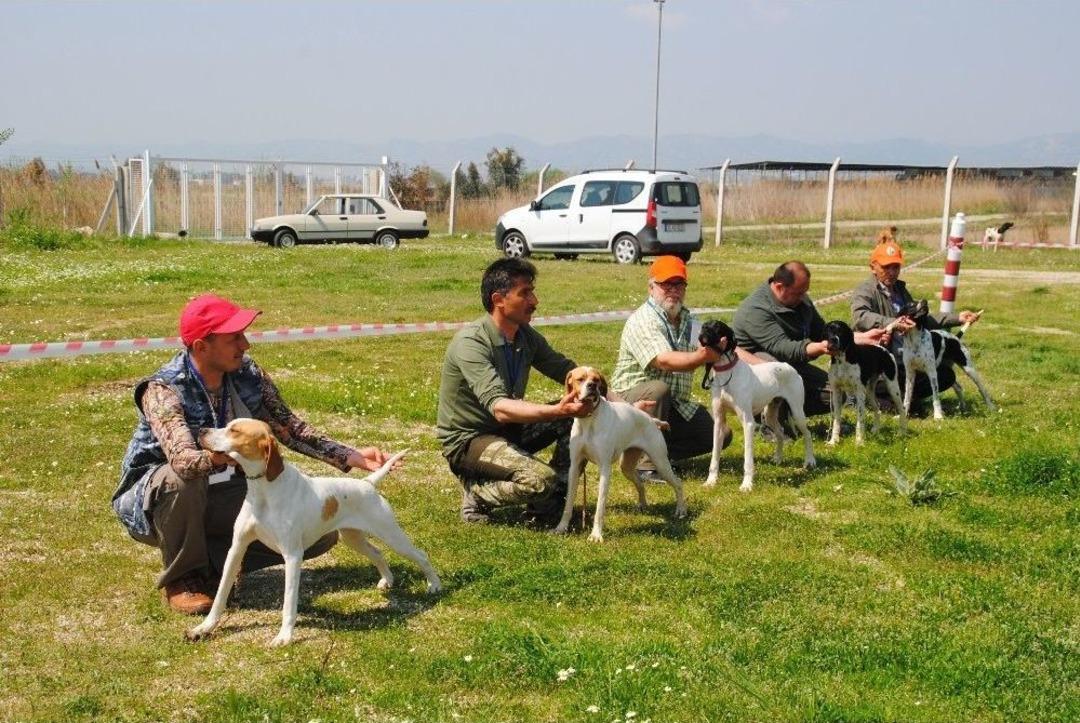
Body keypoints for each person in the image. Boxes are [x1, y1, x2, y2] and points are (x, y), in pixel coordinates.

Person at [112, 294, 396, 615]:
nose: (245, 344)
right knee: (181, 482)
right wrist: (228, 455)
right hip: (157, 497)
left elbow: (288, 427)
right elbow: (183, 462)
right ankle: (183, 580)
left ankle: (218, 566)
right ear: (202, 347)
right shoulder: (163, 390)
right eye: (234, 337)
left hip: (223, 484)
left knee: (317, 533)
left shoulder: (247, 373)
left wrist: (350, 456)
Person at [436, 258, 591, 525]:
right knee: (540, 480)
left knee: (573, 418)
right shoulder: (471, 342)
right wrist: (556, 409)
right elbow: (499, 408)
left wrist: (623, 405)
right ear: (498, 299)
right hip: (469, 442)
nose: (535, 301)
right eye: (525, 293)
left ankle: (551, 507)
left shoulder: (525, 335)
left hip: (508, 430)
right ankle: (478, 495)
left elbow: (569, 371)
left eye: (533, 291)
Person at [609, 255, 735, 481]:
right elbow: (664, 360)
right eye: (666, 284)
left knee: (721, 435)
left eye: (679, 284)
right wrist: (702, 356)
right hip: (628, 403)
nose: (673, 290)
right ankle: (646, 465)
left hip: (674, 405)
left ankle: (657, 452)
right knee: (658, 389)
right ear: (651, 287)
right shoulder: (644, 320)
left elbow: (718, 344)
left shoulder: (687, 319)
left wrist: (749, 360)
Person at [733, 261, 888, 417]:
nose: (803, 297)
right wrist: (822, 348)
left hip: (789, 363)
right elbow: (783, 348)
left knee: (837, 395)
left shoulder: (799, 299)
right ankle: (768, 423)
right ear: (780, 287)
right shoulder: (756, 310)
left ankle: (790, 415)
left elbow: (820, 331)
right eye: (799, 293)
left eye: (805, 291)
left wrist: (859, 337)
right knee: (775, 371)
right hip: (754, 369)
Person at [850, 238, 982, 405]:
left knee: (946, 375)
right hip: (880, 363)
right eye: (886, 267)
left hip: (904, 361)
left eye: (896, 267)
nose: (892, 272)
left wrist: (958, 318)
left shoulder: (900, 289)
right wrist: (892, 323)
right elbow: (861, 316)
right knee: (903, 401)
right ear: (873, 268)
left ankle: (902, 398)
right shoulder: (864, 291)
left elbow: (921, 319)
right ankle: (869, 395)